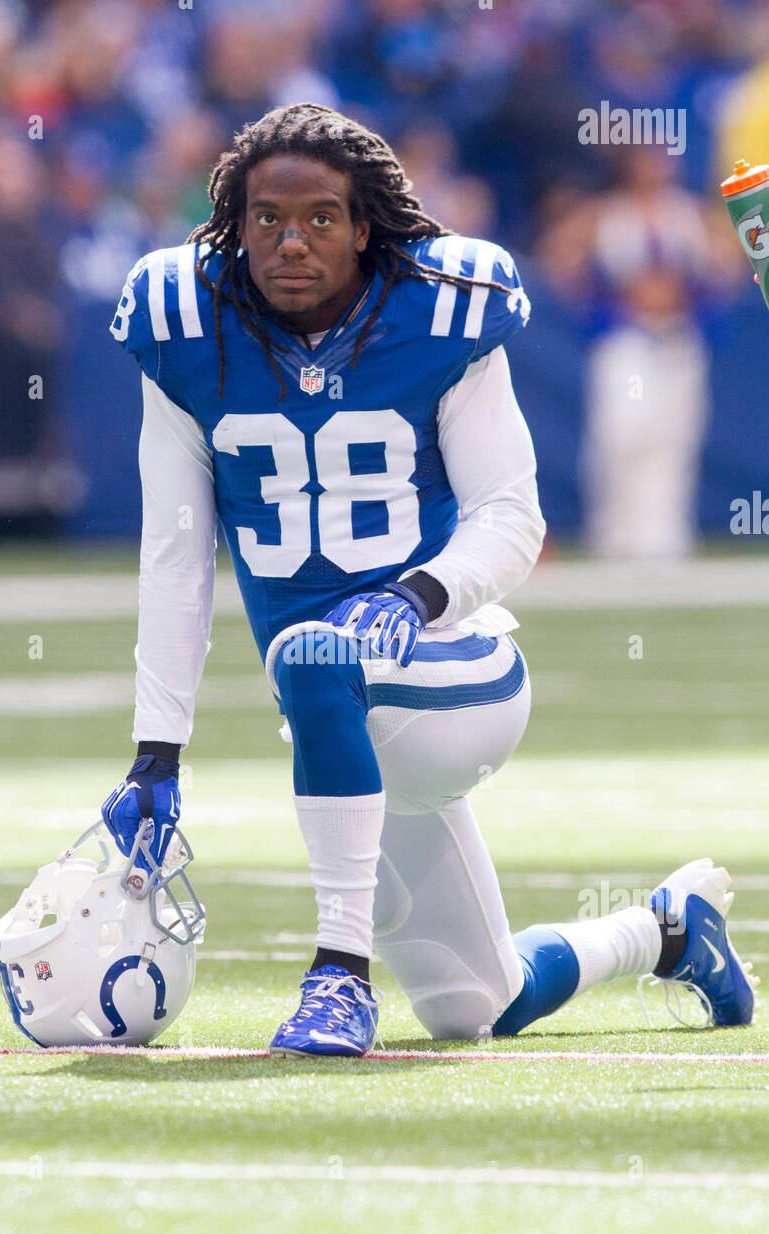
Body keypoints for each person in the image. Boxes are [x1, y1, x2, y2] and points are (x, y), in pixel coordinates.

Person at [102, 104, 754, 1056]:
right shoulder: (183, 326)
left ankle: (338, 977)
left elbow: (511, 517)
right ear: (232, 226)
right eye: (267, 219)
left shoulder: (441, 306)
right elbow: (174, 556)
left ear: (363, 227)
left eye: (320, 218)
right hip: (342, 718)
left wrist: (413, 597)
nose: (292, 241)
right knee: (473, 1007)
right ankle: (663, 929)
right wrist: (154, 751)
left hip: (455, 670)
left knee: (317, 657)